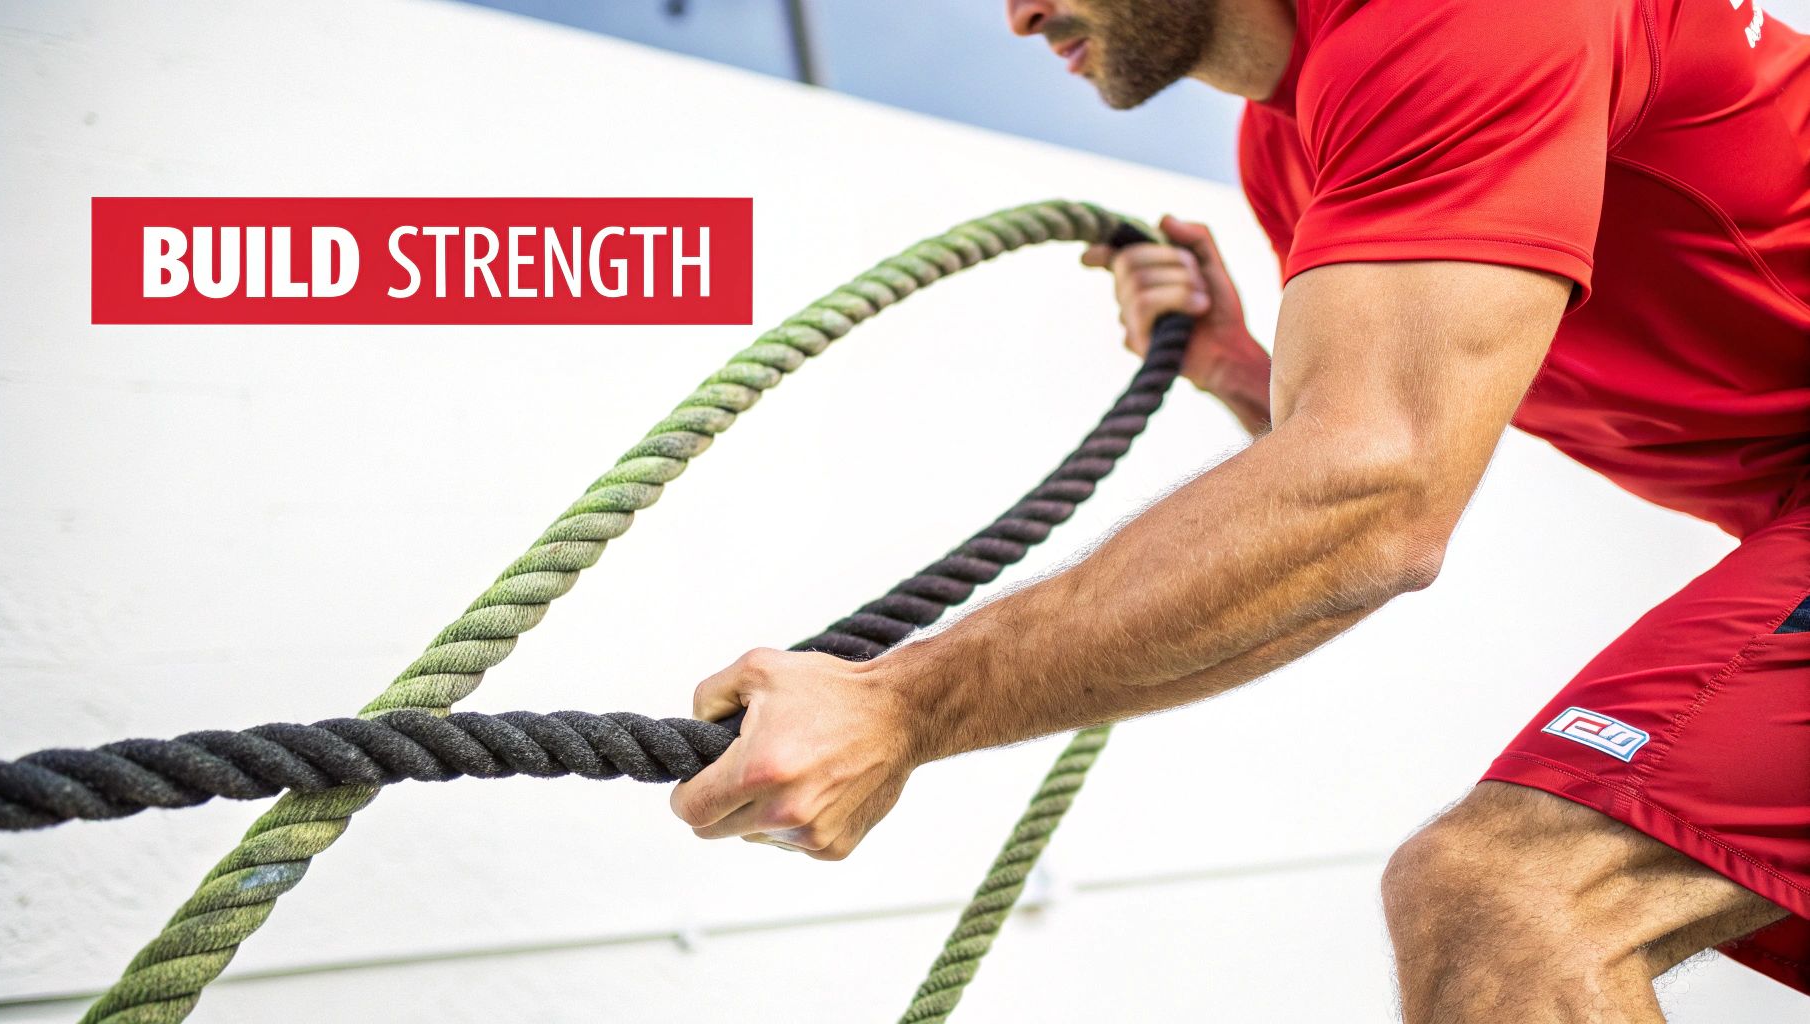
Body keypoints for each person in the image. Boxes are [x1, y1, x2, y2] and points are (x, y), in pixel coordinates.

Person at [670, 1, 1810, 1017]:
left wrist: (900, 705)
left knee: (1513, 895)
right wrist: (1241, 375)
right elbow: (1344, 524)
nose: (1016, 19)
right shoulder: (1287, 147)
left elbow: (1374, 499)